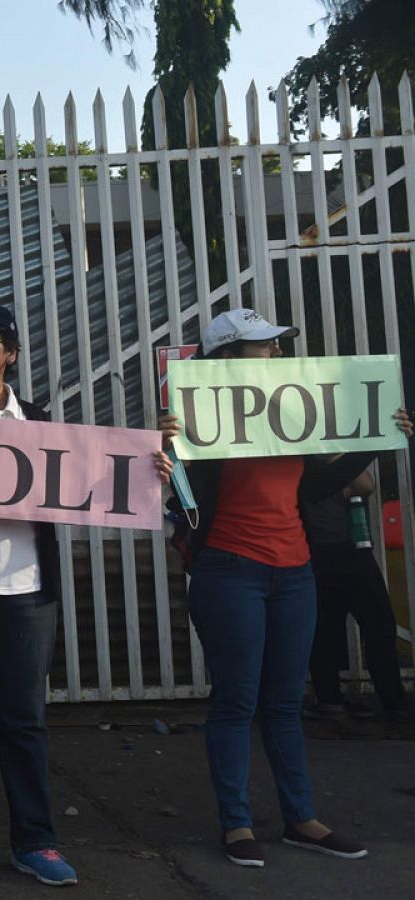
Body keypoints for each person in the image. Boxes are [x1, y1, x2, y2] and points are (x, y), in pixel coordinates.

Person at [0, 304, 170, 889]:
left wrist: (151, 467)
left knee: (25, 719)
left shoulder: (42, 423)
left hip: (28, 591)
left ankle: (36, 840)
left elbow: (94, 484)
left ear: (11, 354)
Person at [158, 308, 412, 868]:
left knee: (283, 702)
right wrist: (168, 448)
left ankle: (302, 819)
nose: (275, 354)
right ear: (226, 358)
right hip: (229, 572)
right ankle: (237, 824)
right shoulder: (198, 422)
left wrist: (380, 438)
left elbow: (315, 487)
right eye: (263, 346)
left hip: (295, 572)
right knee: (236, 700)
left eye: (275, 346)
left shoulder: (290, 413)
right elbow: (180, 496)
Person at [301, 464, 412, 723]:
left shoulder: (322, 460)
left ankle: (336, 702)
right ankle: (386, 703)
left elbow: (365, 485)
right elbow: (365, 485)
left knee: (343, 630)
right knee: (366, 627)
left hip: (338, 551)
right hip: (335, 551)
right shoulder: (313, 462)